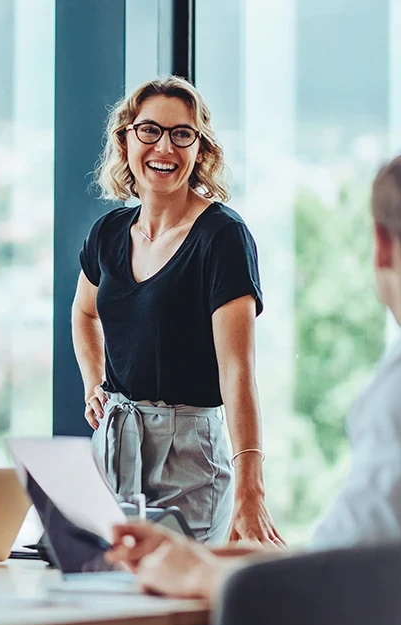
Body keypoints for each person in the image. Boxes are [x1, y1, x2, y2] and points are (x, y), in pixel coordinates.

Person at [106, 140, 401, 602]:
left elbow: (338, 580)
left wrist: (194, 573)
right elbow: (362, 548)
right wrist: (205, 556)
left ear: (381, 246)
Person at [71, 76, 280, 546]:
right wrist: (92, 383)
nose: (164, 146)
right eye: (149, 130)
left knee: (177, 605)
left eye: (181, 134)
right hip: (114, 444)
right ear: (125, 140)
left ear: (200, 149)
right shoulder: (107, 233)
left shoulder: (222, 237)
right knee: (107, 595)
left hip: (188, 454)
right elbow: (84, 314)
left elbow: (238, 371)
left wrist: (252, 488)